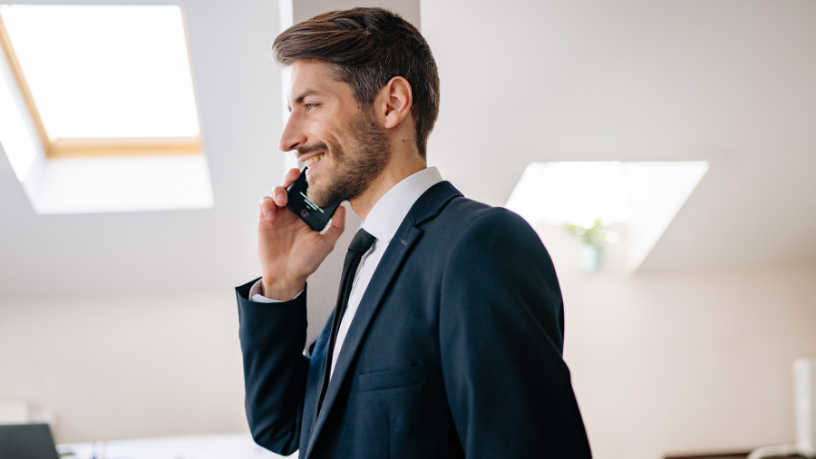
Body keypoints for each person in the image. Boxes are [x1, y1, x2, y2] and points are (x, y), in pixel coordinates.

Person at [236, 7, 592, 459]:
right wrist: (281, 285)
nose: (288, 138)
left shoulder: (479, 245)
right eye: (292, 110)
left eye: (310, 105)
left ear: (392, 104)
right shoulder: (366, 263)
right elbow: (281, 427)